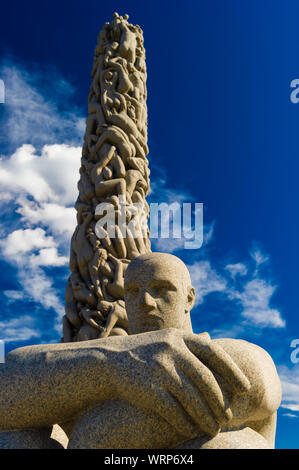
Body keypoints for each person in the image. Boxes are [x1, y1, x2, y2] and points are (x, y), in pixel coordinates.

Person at [0, 253, 281, 449]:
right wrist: (110, 366)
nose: (145, 302)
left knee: (227, 444)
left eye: (161, 289)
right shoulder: (104, 358)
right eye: (132, 292)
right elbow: (6, 385)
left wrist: (90, 427)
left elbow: (256, 382)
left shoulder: (233, 351)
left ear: (189, 298)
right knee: (17, 438)